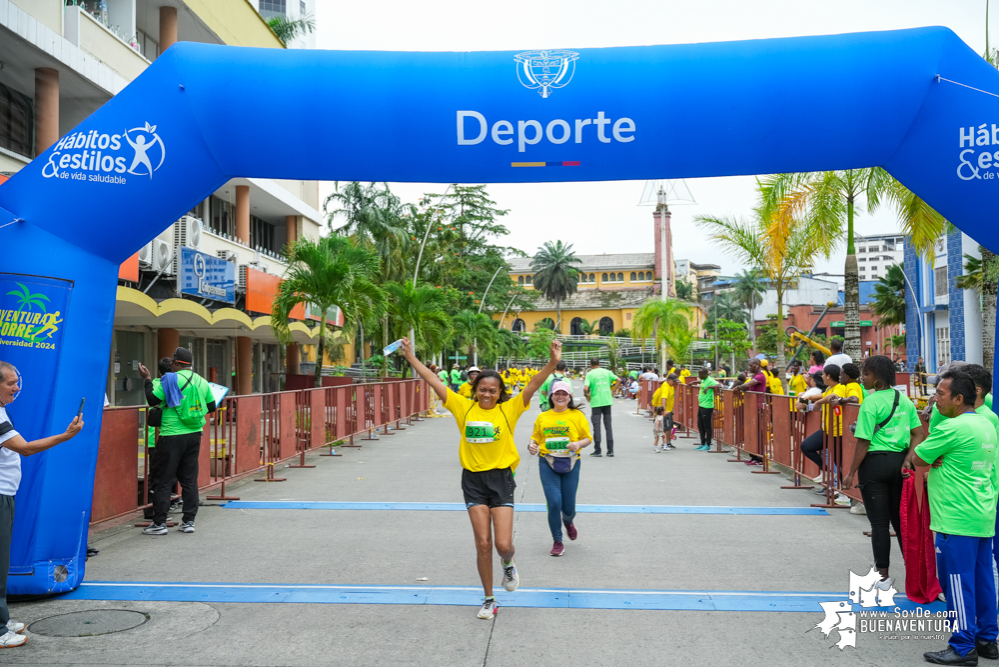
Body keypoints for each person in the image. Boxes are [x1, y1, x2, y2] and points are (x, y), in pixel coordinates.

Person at [400, 336, 561, 619]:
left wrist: (553, 362)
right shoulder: (462, 406)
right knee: (483, 543)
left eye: (493, 391)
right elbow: (432, 380)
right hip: (473, 481)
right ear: (475, 390)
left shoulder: (508, 410)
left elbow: (534, 384)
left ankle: (508, 563)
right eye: (483, 390)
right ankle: (489, 598)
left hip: (501, 479)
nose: (487, 394)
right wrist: (411, 357)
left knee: (502, 545)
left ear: (500, 393)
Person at [905, 371, 999, 666]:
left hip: (956, 517)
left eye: (941, 394)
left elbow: (918, 457)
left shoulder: (953, 428)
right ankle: (987, 638)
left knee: (957, 581)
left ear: (959, 399)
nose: (935, 399)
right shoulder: (987, 423)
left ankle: (962, 646)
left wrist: (933, 452)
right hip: (982, 513)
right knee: (983, 579)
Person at [0, 360, 84, 648]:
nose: (17, 387)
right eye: (11, 383)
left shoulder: (2, 411)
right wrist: (66, 436)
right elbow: (25, 449)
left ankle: (1, 620)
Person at [841, 356, 925, 592]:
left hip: (875, 465)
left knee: (879, 524)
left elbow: (863, 442)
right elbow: (919, 434)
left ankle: (884, 577)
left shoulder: (871, 402)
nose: (863, 379)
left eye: (866, 374)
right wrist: (908, 459)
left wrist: (850, 473)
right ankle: (914, 575)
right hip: (899, 465)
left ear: (876, 377)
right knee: (901, 524)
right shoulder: (904, 400)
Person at [138, 347, 217, 535]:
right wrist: (191, 415)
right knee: (189, 480)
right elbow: (212, 406)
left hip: (172, 435)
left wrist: (147, 379)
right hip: (195, 434)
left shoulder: (170, 379)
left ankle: (159, 524)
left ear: (175, 362)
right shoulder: (202, 381)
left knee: (163, 480)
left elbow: (152, 399)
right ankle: (188, 522)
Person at [527, 381, 591, 556]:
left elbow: (587, 439)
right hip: (547, 462)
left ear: (569, 396)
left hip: (571, 462)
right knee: (554, 502)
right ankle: (557, 540)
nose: (560, 397)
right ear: (551, 396)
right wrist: (532, 445)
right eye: (557, 393)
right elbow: (535, 438)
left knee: (568, 507)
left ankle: (568, 521)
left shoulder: (576, 415)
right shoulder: (543, 417)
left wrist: (578, 443)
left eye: (564, 394)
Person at [799, 365, 850, 505]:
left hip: (838, 431)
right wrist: (805, 397)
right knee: (806, 446)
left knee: (839, 464)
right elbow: (823, 395)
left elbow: (830, 398)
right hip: (828, 430)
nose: (821, 377)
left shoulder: (839, 388)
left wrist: (818, 402)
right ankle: (826, 471)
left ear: (828, 376)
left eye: (823, 375)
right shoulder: (829, 388)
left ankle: (844, 494)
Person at [143, 357, 175, 520]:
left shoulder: (159, 382)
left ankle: (164, 505)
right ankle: (152, 510)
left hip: (165, 436)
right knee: (156, 475)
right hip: (156, 437)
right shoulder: (160, 384)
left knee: (166, 473)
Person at [584, 358, 616, 457]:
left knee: (596, 427)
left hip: (596, 403)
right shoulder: (607, 372)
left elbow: (585, 388)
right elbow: (618, 380)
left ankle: (598, 450)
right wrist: (613, 390)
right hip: (607, 401)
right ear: (599, 364)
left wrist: (587, 395)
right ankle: (610, 451)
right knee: (608, 426)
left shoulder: (590, 374)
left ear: (591, 364)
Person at [689, 368, 720, 450]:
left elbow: (719, 385)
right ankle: (702, 442)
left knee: (707, 426)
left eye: (700, 374)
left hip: (707, 406)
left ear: (705, 374)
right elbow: (702, 382)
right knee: (700, 425)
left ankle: (708, 444)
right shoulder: (703, 379)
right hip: (701, 405)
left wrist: (710, 387)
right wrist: (694, 382)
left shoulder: (710, 380)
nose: (698, 376)